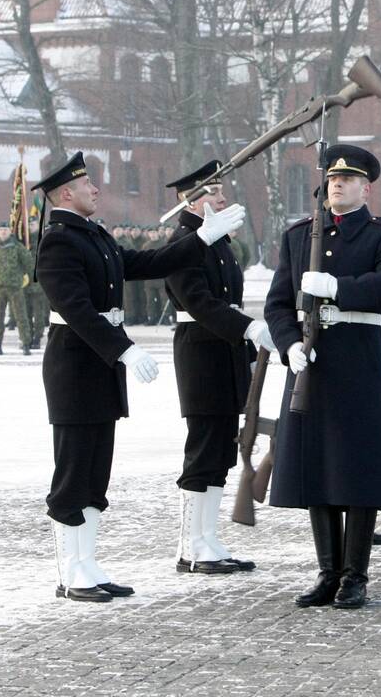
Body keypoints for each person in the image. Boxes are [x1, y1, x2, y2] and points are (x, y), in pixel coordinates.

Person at [34, 151, 243, 602]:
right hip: (75, 364)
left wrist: (202, 238)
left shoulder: (93, 235)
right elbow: (75, 308)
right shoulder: (59, 240)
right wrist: (123, 349)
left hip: (98, 365)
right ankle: (70, 572)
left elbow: (145, 264)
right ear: (66, 193)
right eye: (87, 183)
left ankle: (87, 563)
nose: (95, 189)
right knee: (74, 470)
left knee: (96, 470)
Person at [265, 145, 381, 609]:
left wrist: (338, 289)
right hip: (311, 366)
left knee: (358, 472)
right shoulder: (299, 236)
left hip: (358, 368)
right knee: (317, 469)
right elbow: (276, 303)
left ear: (366, 187)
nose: (337, 185)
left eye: (347, 180)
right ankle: (328, 572)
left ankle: (356, 575)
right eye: (332, 179)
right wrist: (288, 344)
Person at [164, 161, 269, 574]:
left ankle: (207, 539)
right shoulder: (183, 242)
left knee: (223, 451)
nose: (222, 198)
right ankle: (190, 546)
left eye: (221, 190)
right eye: (212, 192)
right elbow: (200, 303)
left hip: (226, 355)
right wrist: (247, 328)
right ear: (186, 201)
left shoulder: (219, 243)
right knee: (203, 451)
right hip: (201, 356)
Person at [0, 221, 34, 356]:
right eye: (1, 230)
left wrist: (26, 277)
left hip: (15, 287)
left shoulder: (17, 247)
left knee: (20, 316)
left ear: (10, 232)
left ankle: (25, 343)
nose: (3, 232)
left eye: (5, 230)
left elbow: (28, 262)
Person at [25, 218, 50, 349]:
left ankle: (37, 337)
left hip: (38, 282)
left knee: (38, 312)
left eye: (33, 224)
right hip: (25, 283)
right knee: (27, 312)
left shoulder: (43, 241)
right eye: (29, 224)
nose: (30, 227)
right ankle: (27, 336)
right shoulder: (24, 241)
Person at [142, 226, 168, 325]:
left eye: (154, 232)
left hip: (161, 276)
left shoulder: (163, 244)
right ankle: (152, 317)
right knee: (150, 300)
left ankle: (165, 317)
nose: (152, 234)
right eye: (150, 232)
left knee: (164, 298)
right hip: (149, 277)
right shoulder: (145, 245)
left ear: (158, 233)